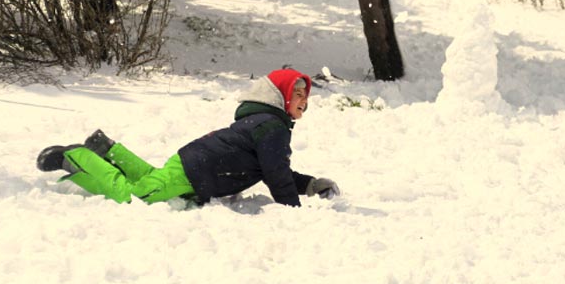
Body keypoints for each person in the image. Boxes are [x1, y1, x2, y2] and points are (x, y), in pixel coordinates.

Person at [36, 68, 340, 207]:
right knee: (137, 197)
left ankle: (108, 150)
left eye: (306, 94)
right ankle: (75, 157)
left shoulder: (266, 123)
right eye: (297, 93)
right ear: (280, 97)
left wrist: (310, 185)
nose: (304, 99)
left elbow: (277, 171)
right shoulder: (271, 127)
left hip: (196, 165)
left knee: (154, 180)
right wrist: (292, 210)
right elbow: (275, 174)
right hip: (199, 170)